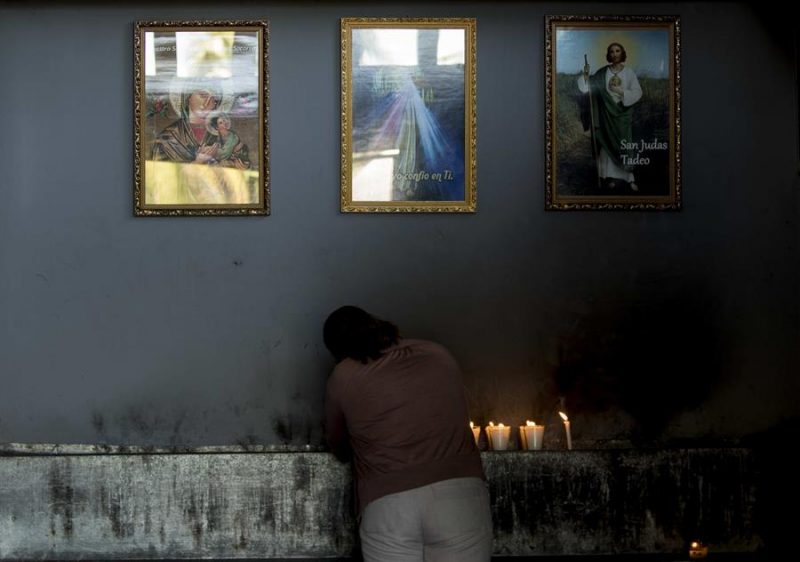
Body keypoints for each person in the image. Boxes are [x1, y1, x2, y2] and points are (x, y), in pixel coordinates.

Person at [323, 306, 492, 562]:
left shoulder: (343, 374)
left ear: (337, 350)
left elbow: (339, 446)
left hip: (389, 505)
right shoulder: (438, 353)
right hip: (459, 496)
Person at [148, 79, 253, 204]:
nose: (208, 102)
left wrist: (241, 166)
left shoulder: (225, 136)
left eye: (213, 99)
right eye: (203, 95)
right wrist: (197, 162)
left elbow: (243, 178)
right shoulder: (167, 139)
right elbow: (158, 185)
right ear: (188, 98)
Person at [577, 42, 643, 192]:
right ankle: (609, 178)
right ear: (608, 55)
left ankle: (629, 179)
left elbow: (638, 92)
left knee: (624, 146)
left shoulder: (629, 73)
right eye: (611, 51)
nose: (614, 54)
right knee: (606, 146)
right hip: (606, 115)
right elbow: (587, 87)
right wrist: (586, 75)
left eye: (617, 51)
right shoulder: (602, 73)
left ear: (622, 53)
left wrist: (621, 92)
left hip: (622, 116)